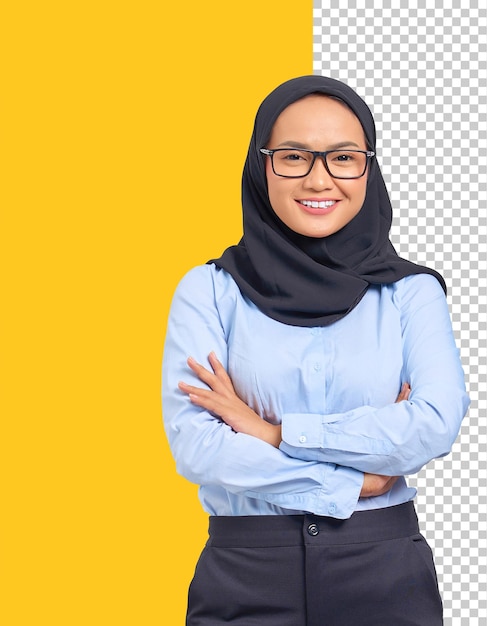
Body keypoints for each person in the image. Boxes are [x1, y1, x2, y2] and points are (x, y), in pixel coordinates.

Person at [162, 75, 470, 626]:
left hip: (384, 574)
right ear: (262, 165)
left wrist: (271, 433)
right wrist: (352, 482)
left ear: (368, 167)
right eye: (294, 156)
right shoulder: (209, 290)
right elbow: (200, 446)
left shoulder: (411, 293)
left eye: (344, 157)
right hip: (244, 572)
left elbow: (432, 424)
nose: (319, 178)